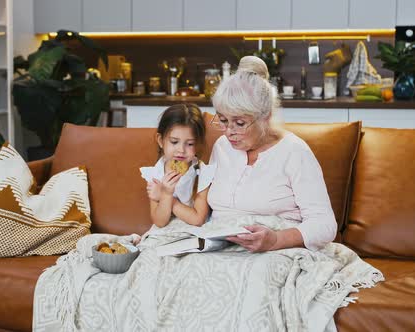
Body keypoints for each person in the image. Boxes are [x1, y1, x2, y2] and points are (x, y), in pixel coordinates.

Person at [208, 56, 337, 252]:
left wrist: (276, 240)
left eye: (240, 123)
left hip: (273, 250)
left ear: (265, 118)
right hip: (218, 247)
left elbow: (325, 224)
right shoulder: (221, 147)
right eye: (223, 120)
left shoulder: (294, 151)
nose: (228, 131)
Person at [140, 104, 215, 228]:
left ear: (198, 144)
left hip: (194, 233)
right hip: (166, 232)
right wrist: (165, 195)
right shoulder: (156, 174)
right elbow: (159, 222)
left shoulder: (202, 173)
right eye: (174, 142)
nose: (181, 150)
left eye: (190, 144)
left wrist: (169, 198)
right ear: (160, 140)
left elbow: (198, 220)